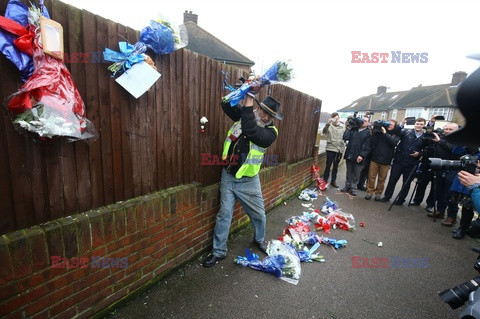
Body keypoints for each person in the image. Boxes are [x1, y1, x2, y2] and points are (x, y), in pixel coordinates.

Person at [203, 86, 283, 267]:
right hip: (228, 176)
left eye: (270, 116)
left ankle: (260, 239)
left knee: (258, 214)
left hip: (249, 180)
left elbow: (250, 130)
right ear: (258, 108)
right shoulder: (245, 115)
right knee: (224, 214)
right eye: (265, 112)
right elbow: (226, 103)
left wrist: (249, 99)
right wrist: (244, 88)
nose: (266, 117)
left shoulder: (271, 132)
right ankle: (218, 252)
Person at [380, 118, 427, 204]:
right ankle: (387, 196)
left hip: (412, 163)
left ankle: (401, 199)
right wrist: (401, 123)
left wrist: (420, 153)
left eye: (421, 124)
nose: (419, 125)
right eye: (417, 123)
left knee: (406, 183)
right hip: (399, 161)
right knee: (392, 180)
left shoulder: (425, 137)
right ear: (414, 124)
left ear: (424, 125)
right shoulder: (406, 132)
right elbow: (396, 132)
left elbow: (427, 149)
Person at [364, 119, 400, 201]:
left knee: (381, 179)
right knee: (371, 177)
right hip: (375, 158)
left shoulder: (395, 134)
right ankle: (369, 192)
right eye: (388, 124)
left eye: (392, 125)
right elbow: (372, 142)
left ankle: (378, 194)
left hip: (386, 160)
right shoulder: (379, 132)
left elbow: (394, 143)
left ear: (394, 127)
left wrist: (385, 133)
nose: (389, 126)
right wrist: (374, 131)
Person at [340, 115, 371, 196]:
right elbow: (346, 137)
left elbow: (367, 146)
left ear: (368, 123)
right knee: (349, 172)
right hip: (350, 154)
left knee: (357, 173)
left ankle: (353, 188)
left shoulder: (368, 133)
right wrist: (349, 128)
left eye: (365, 121)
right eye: (362, 120)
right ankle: (347, 186)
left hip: (359, 156)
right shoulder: (354, 129)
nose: (363, 122)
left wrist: (362, 155)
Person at [321, 112, 345, 188]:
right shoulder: (329, 126)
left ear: (339, 118)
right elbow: (324, 132)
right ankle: (325, 180)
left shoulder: (343, 126)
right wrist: (327, 124)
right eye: (334, 118)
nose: (335, 119)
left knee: (335, 166)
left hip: (339, 149)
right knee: (328, 165)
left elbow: (346, 135)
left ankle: (333, 181)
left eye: (336, 118)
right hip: (330, 148)